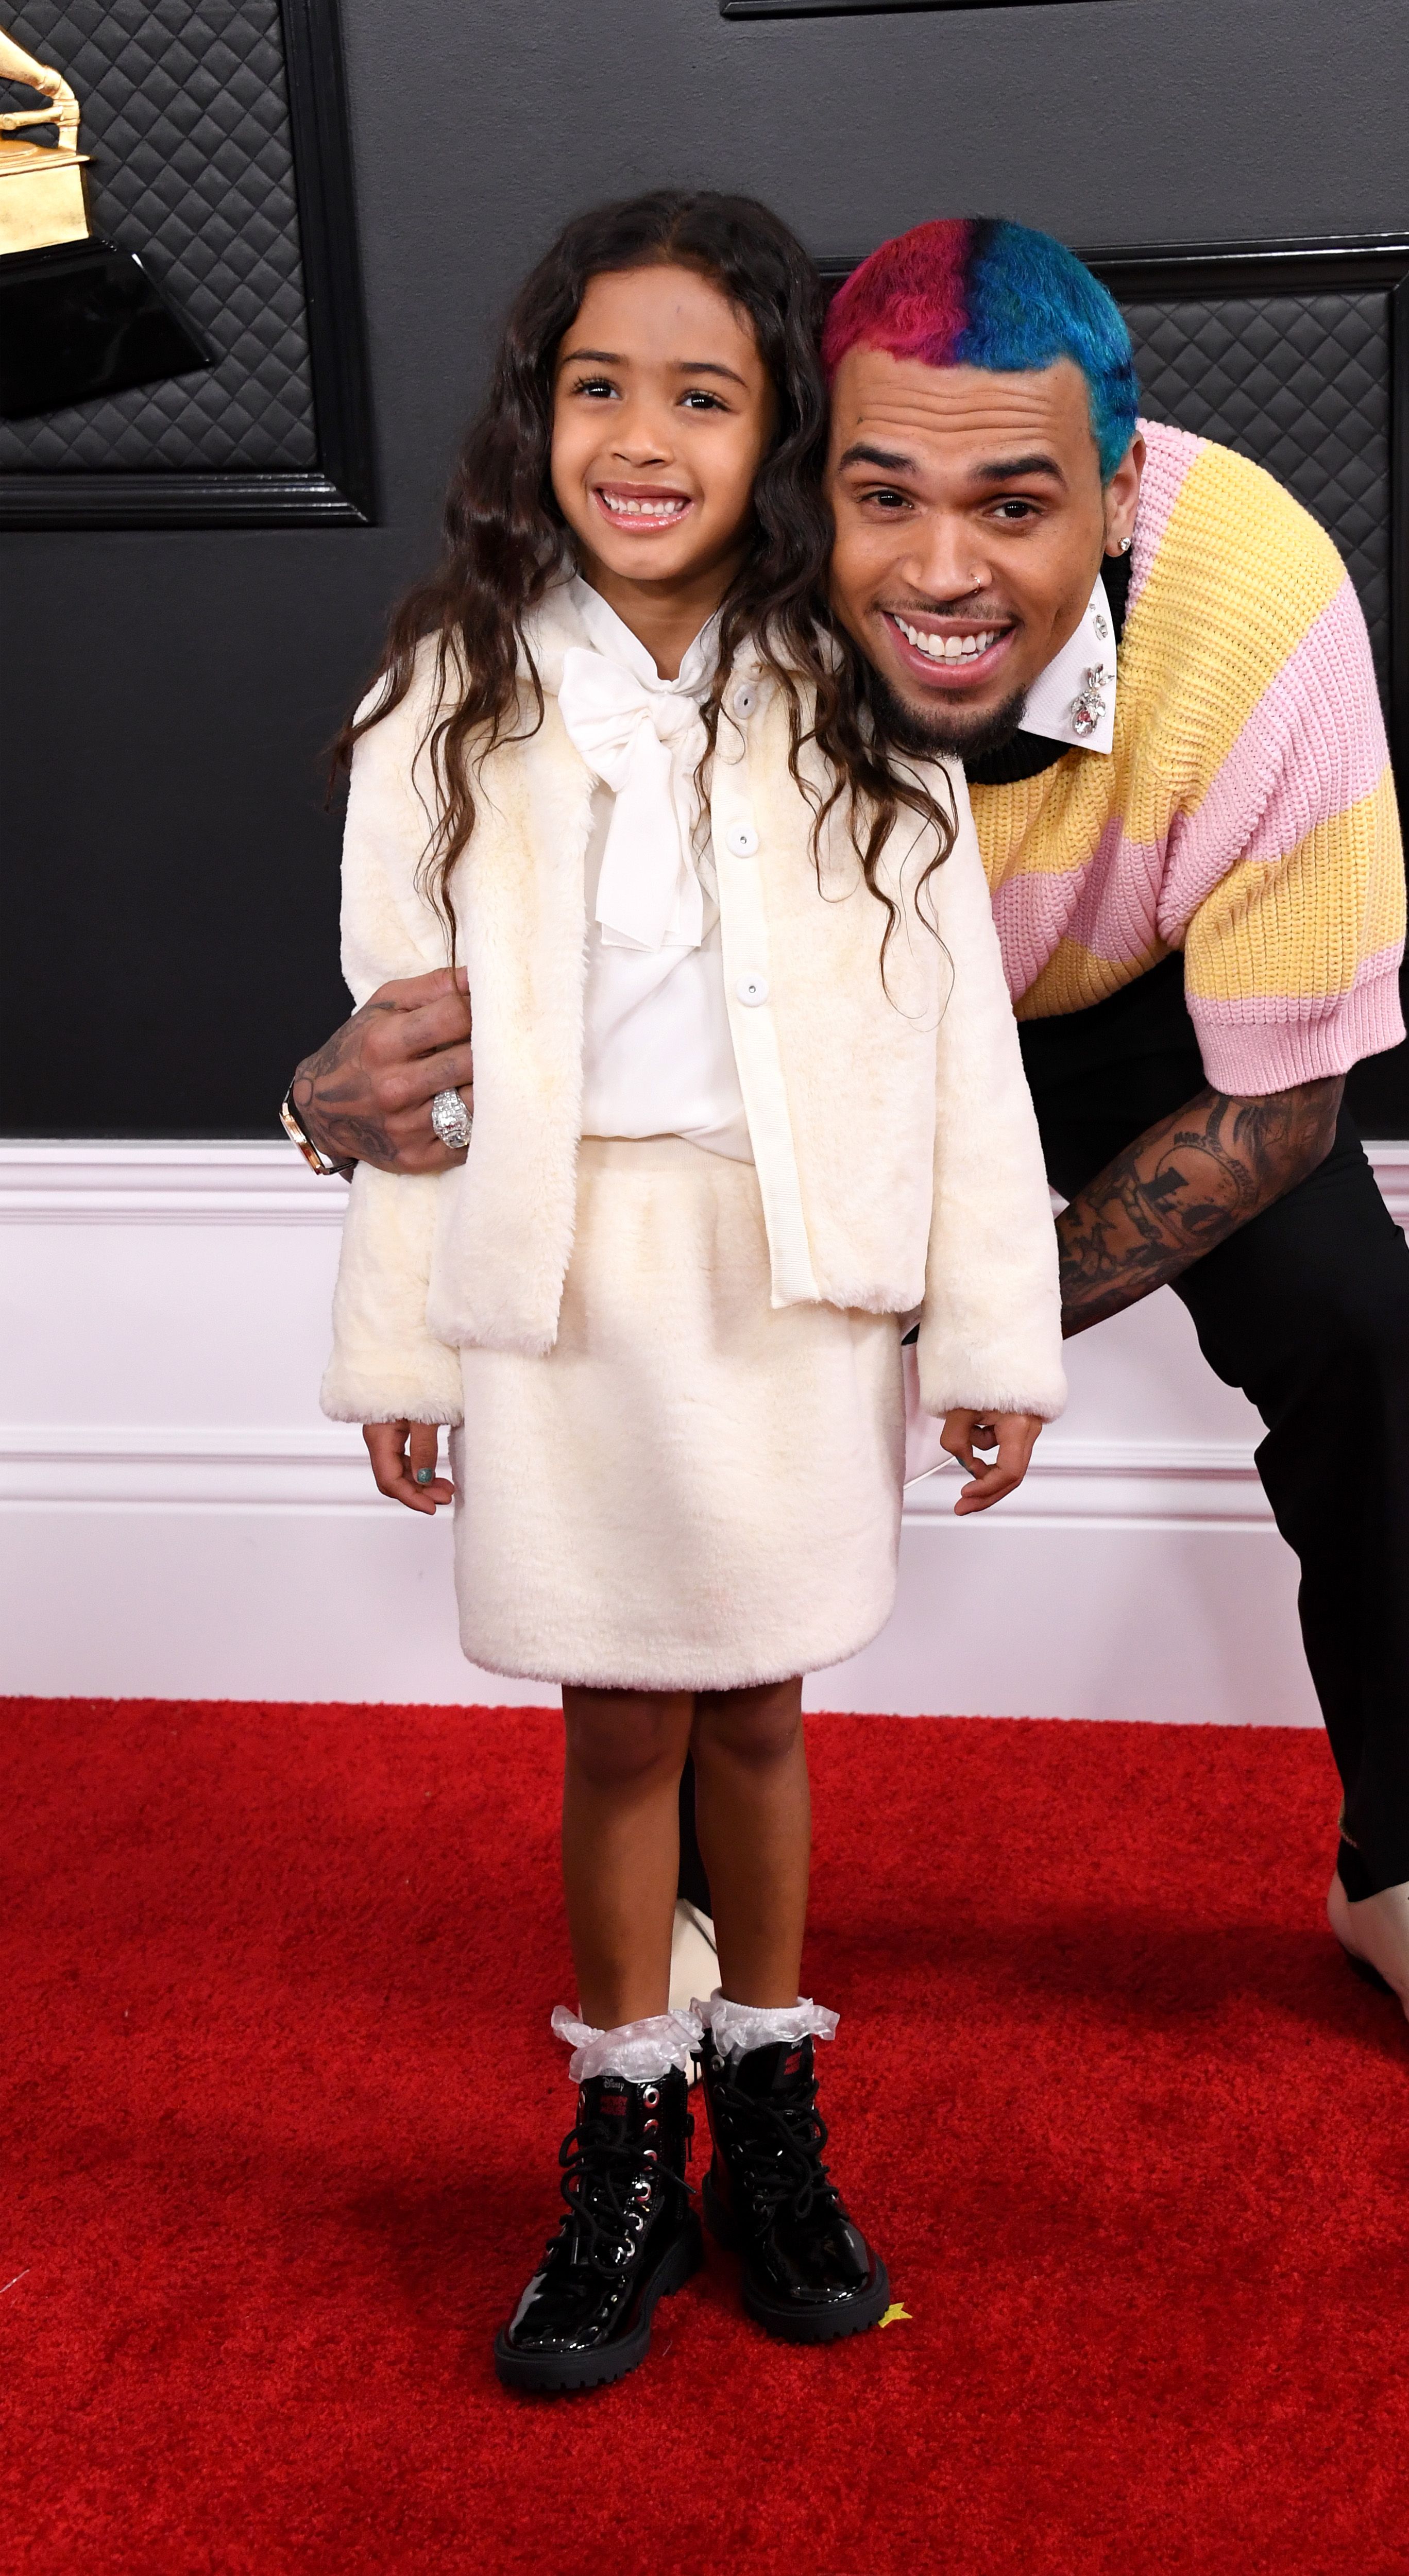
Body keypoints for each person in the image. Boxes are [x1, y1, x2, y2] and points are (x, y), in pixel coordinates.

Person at [289, 212, 1409, 2120]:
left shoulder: (1259, 608)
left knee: (1362, 1335)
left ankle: (1404, 1865)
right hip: (813, 1030)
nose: (944, 568)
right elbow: (515, 948)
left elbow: (1287, 1107)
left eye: (1017, 504)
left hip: (1133, 1007)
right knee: (705, 1379)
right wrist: (329, 1105)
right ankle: (702, 1922)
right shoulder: (731, 561)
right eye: (882, 494)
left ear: (1120, 494)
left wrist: (947, 1319)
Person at [320, 191, 1064, 2394]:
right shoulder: (439, 691)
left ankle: (771, 2108)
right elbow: (398, 1049)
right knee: (615, 1715)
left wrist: (987, 1333)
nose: (639, 437)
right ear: (534, 416)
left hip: (782, 1289)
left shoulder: (859, 695)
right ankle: (621, 2127)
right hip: (559, 1287)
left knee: (758, 1701)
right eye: (596, 388)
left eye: (703, 395)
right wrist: (395, 1331)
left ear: (781, 437)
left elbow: (953, 1049)